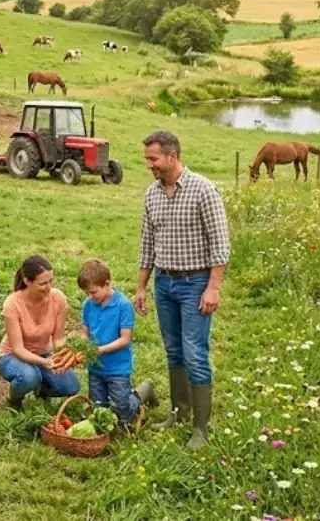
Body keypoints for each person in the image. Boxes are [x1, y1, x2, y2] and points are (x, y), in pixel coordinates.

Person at [134, 130, 230, 450]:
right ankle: (179, 412)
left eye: (153, 158)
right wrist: (141, 287)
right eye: (147, 159)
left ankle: (200, 428)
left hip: (195, 284)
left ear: (172, 156)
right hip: (164, 283)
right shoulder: (152, 194)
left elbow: (220, 245)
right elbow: (147, 245)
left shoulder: (203, 190)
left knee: (194, 352)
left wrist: (213, 287)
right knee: (173, 349)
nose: (149, 164)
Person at [77, 258, 158, 429]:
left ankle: (143, 391)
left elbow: (125, 339)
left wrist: (100, 350)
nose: (90, 296)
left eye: (93, 292)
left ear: (107, 284)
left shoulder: (123, 306)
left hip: (117, 368)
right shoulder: (88, 305)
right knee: (98, 409)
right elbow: (85, 333)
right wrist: (84, 347)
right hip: (95, 367)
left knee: (122, 412)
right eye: (86, 293)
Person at [0, 255, 81, 409]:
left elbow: (59, 338)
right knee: (29, 376)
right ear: (27, 281)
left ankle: (42, 390)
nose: (48, 287)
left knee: (71, 386)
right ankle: (14, 400)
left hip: (43, 353)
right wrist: (44, 363)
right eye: (43, 283)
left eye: (50, 281)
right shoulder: (12, 304)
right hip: (12, 356)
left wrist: (63, 356)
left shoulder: (58, 299)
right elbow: (18, 349)